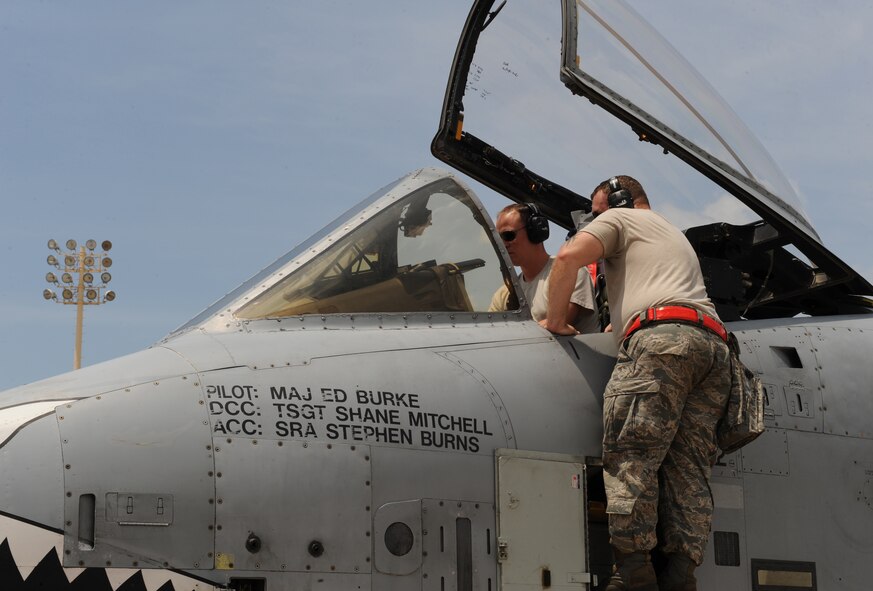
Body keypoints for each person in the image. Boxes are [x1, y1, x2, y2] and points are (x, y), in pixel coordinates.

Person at [541, 176, 731, 591]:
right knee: (689, 472)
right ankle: (681, 577)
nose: (592, 220)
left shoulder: (620, 219)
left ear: (621, 200)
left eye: (595, 211)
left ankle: (633, 576)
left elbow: (569, 256)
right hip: (712, 350)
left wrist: (556, 321)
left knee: (632, 457)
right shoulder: (669, 232)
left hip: (663, 342)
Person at [489, 203, 599, 334]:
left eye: (508, 235)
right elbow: (491, 331)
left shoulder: (571, 273)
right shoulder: (505, 294)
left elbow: (555, 325)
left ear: (534, 231)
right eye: (499, 239)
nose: (503, 244)